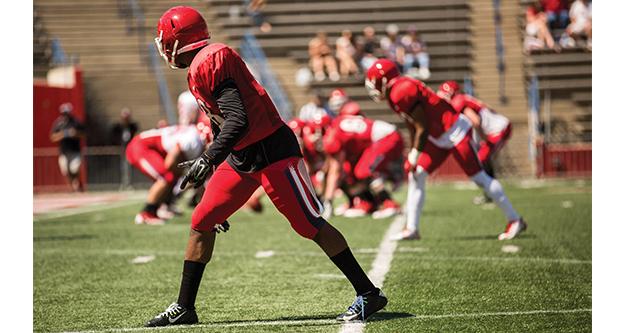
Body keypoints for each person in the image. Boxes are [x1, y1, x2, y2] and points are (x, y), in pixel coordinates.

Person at [146, 6, 387, 327]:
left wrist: (208, 159)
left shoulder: (211, 61)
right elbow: (223, 125)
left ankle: (368, 293)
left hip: (273, 151)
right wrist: (213, 167)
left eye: (165, 39)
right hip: (242, 156)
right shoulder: (200, 67)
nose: (163, 46)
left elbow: (238, 119)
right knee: (203, 218)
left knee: (307, 224)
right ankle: (185, 307)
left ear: (178, 40)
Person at [365, 59, 526, 241]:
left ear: (384, 80)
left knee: (479, 177)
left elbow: (421, 127)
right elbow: (413, 124)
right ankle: (412, 228)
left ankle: (515, 219)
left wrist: (415, 154)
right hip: (437, 136)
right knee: (416, 174)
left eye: (373, 81)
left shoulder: (401, 91)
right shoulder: (396, 92)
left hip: (454, 130)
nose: (372, 87)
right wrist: (413, 153)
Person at [126, 96, 206, 225]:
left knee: (172, 177)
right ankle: (146, 214)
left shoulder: (194, 135)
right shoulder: (193, 140)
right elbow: (170, 161)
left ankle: (160, 208)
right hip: (140, 147)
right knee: (166, 177)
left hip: (149, 148)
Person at [322, 101, 404, 220]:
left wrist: (328, 201)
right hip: (381, 137)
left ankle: (389, 203)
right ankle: (366, 203)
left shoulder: (334, 137)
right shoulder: (337, 126)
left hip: (387, 137)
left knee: (363, 171)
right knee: (351, 170)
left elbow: (335, 172)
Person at [437, 81, 513, 204]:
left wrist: (482, 137)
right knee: (484, 160)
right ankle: (491, 194)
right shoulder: (464, 98)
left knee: (481, 159)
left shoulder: (458, 101)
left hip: (498, 130)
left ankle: (492, 194)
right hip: (497, 128)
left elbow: (476, 121)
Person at [49, 102, 86, 192]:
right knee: (65, 171)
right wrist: (62, 134)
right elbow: (52, 137)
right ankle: (71, 188)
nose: (65, 115)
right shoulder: (58, 123)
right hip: (64, 152)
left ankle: (77, 183)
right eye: (63, 113)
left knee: (74, 169)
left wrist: (75, 133)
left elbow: (84, 134)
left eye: (66, 113)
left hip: (75, 151)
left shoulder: (76, 122)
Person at [110, 107, 139, 188]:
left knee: (129, 167)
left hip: (131, 149)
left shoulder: (133, 126)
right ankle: (123, 184)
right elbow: (113, 137)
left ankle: (129, 184)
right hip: (121, 149)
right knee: (123, 167)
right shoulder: (118, 127)